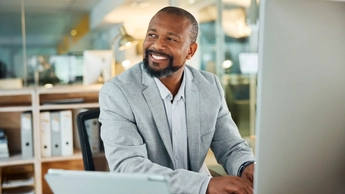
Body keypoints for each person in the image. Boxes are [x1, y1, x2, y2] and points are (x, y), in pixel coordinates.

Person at [99, 6, 255, 194]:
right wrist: (204, 185)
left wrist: (246, 166)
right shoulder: (117, 92)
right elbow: (129, 166)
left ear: (190, 50)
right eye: (152, 35)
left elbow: (230, 146)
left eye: (171, 39)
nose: (157, 45)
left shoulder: (209, 85)